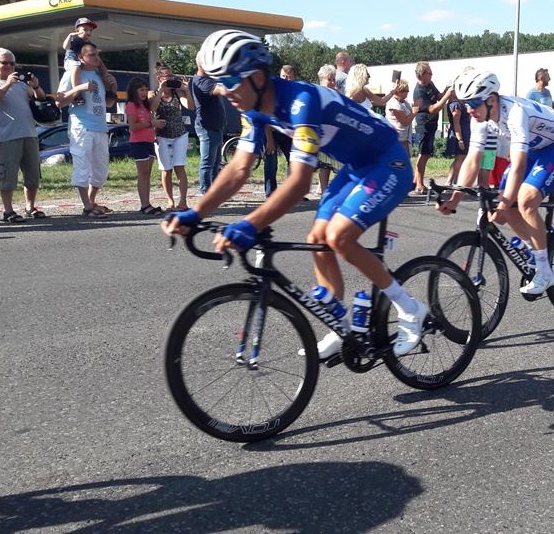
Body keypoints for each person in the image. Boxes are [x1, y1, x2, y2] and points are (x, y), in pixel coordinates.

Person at [162, 29, 427, 359]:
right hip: (357, 165)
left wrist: (249, 224)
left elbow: (301, 181)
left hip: (388, 161)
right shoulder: (253, 108)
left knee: (340, 236)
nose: (223, 91)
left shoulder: (302, 101)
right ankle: (341, 324)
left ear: (257, 77)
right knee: (318, 236)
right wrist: (196, 213)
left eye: (229, 81)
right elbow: (238, 169)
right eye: (219, 82)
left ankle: (411, 308)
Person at [436, 70, 554, 294]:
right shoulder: (479, 117)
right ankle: (533, 248)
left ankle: (545, 272)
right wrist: (454, 200)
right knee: (505, 206)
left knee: (525, 201)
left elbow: (518, 165)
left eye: (472, 103)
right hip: (535, 150)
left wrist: (504, 202)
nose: (469, 110)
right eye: (465, 104)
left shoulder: (515, 113)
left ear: (491, 100)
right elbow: (472, 161)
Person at [54, 41, 118, 219]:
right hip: (81, 126)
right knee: (83, 166)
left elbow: (109, 103)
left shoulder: (99, 74)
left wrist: (113, 87)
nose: (96, 58)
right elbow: (59, 101)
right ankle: (87, 206)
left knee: (101, 169)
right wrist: (79, 88)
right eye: (91, 55)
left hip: (100, 127)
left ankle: (90, 202)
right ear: (81, 58)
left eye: (97, 54)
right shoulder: (72, 74)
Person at [0, 48, 47, 223]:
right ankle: (8, 211)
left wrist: (35, 86)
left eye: (11, 63)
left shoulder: (22, 85)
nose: (8, 66)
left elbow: (40, 99)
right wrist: (7, 83)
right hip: (8, 137)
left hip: (29, 134)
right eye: (4, 62)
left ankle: (30, 207)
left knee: (32, 175)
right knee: (7, 176)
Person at [153, 64, 194, 211]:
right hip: (161, 136)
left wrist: (187, 91)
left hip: (179, 135)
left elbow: (189, 106)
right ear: (159, 78)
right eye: (167, 76)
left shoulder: (177, 93)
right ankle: (170, 201)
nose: (171, 79)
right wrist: (160, 91)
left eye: (172, 76)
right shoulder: (153, 93)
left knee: (179, 167)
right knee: (166, 169)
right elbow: (152, 107)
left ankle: (183, 202)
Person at [124, 76, 166, 215]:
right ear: (134, 90)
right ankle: (144, 205)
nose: (144, 92)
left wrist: (160, 91)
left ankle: (147, 203)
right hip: (138, 143)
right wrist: (150, 124)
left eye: (146, 89)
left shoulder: (145, 105)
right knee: (142, 174)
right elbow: (132, 126)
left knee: (147, 175)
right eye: (141, 89)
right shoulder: (131, 105)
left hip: (149, 141)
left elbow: (155, 105)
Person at [412, 61, 453, 194]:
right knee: (423, 153)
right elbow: (433, 109)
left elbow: (438, 96)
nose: (432, 74)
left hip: (431, 124)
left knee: (426, 153)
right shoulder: (419, 92)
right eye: (429, 73)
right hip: (424, 124)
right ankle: (419, 184)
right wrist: (446, 97)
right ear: (422, 74)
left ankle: (415, 181)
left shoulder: (429, 84)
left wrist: (446, 90)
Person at [191, 53, 227, 196]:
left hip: (214, 128)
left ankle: (214, 193)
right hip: (207, 128)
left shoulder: (206, 79)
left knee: (215, 164)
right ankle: (206, 194)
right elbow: (222, 90)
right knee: (207, 163)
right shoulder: (202, 82)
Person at [263, 65, 297, 197]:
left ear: (294, 78)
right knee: (271, 162)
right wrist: (270, 140)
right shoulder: (273, 92)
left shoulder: (297, 93)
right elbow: (266, 117)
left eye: (289, 77)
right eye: (283, 76)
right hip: (271, 130)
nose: (286, 79)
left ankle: (290, 192)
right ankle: (270, 192)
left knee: (294, 160)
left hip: (288, 132)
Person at [62, 17, 115, 100]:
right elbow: (66, 47)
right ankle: (77, 92)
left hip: (82, 62)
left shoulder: (89, 44)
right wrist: (70, 36)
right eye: (85, 29)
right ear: (77, 31)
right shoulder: (75, 39)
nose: (88, 32)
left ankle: (108, 91)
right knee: (76, 67)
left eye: (91, 30)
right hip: (71, 61)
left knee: (103, 69)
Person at [315, 65, 342, 194]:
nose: (332, 82)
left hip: (336, 134)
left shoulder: (336, 94)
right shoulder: (317, 94)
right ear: (321, 80)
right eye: (329, 80)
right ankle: (325, 194)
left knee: (338, 166)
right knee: (324, 167)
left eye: (333, 79)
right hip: (322, 133)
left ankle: (338, 193)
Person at [445, 81, 471, 184]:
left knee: (460, 158)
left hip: (463, 132)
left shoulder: (458, 102)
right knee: (460, 158)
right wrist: (460, 140)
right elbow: (456, 123)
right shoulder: (456, 104)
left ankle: (450, 181)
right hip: (459, 133)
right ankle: (454, 181)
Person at [385, 78, 417, 156]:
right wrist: (414, 112)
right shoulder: (393, 104)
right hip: (397, 139)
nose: (408, 93)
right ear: (399, 91)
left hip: (405, 138)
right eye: (407, 91)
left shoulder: (404, 102)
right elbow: (404, 122)